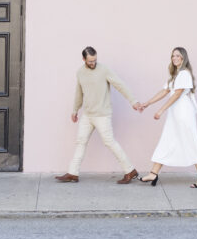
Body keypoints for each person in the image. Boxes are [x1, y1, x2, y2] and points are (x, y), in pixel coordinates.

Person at [55, 46, 143, 184]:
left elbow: (119, 84)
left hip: (102, 114)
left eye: (95, 60)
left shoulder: (104, 70)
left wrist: (133, 101)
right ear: (83, 59)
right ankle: (73, 173)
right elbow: (79, 93)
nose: (93, 63)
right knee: (80, 142)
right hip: (87, 115)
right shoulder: (80, 73)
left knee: (110, 142)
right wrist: (75, 110)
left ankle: (130, 170)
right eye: (90, 61)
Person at [136, 46, 197, 188]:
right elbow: (164, 91)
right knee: (167, 140)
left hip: (183, 114)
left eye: (178, 56)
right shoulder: (176, 75)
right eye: (173, 56)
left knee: (190, 142)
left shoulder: (184, 74)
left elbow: (177, 94)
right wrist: (148, 103)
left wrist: (161, 110)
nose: (174, 58)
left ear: (183, 58)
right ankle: (153, 173)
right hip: (175, 114)